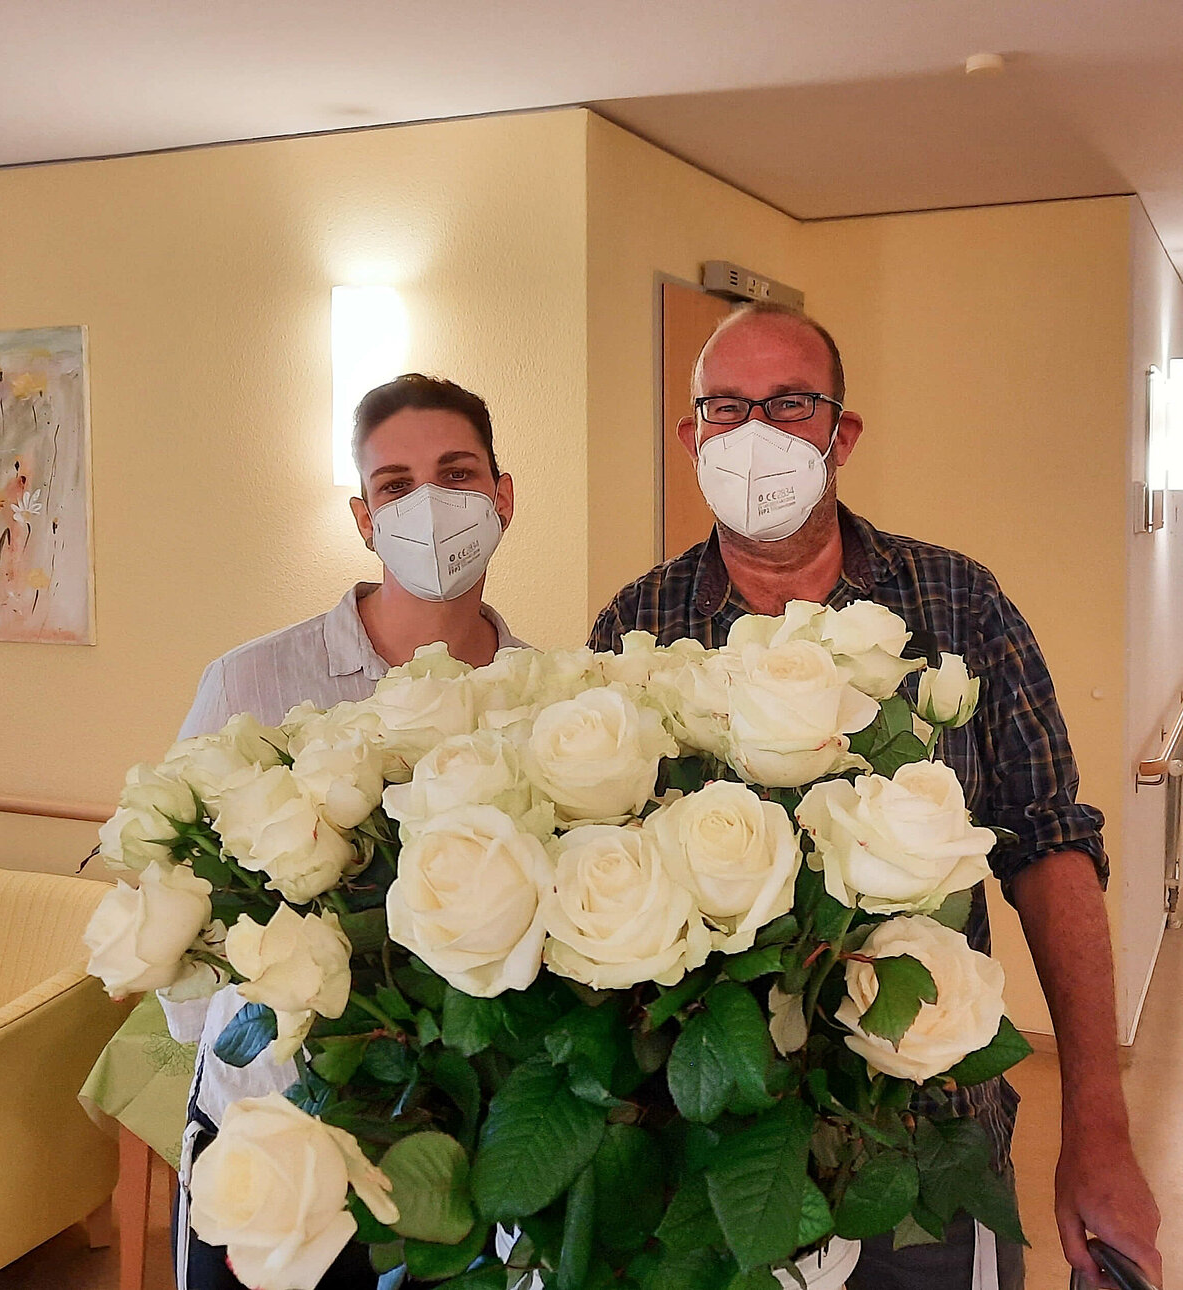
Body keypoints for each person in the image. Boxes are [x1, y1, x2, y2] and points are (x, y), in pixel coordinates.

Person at [588, 303, 1162, 1290]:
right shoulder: (639, 626)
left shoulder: (956, 604)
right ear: (690, 437)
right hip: (706, 1158)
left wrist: (1098, 1129)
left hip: (922, 1146)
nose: (756, 435)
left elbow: (1049, 847)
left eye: (790, 405)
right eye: (725, 409)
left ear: (841, 433)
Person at [169, 372, 529, 1290]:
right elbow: (178, 908)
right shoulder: (252, 685)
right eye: (397, 486)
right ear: (364, 519)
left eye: (457, 474)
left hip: (465, 1147)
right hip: (279, 1128)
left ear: (503, 495)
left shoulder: (550, 697)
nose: (431, 506)